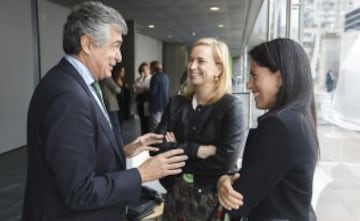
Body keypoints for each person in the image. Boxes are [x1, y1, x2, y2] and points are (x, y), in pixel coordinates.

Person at [22, 2, 188, 221]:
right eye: (115, 45)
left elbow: (77, 154)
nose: (119, 57)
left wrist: (124, 150)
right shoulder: (68, 97)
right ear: (88, 44)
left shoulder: (73, 83)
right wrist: (142, 174)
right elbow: (79, 191)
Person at [217, 38, 319, 221]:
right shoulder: (299, 119)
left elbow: (237, 202)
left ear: (279, 78)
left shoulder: (280, 126)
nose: (248, 85)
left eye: (254, 75)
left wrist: (223, 182)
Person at [151, 38, 246, 220]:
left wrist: (175, 149)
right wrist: (198, 150)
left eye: (200, 61)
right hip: (175, 200)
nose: (192, 66)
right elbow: (156, 148)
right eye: (190, 60)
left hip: (210, 204)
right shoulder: (177, 103)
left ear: (218, 68)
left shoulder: (231, 106)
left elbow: (224, 161)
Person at [149, 60, 169, 131]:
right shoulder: (166, 76)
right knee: (162, 125)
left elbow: (153, 92)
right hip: (165, 104)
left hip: (155, 105)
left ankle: (155, 141)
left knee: (155, 126)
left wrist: (145, 90)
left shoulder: (155, 77)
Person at [135, 62, 152, 134]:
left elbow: (149, 89)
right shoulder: (139, 79)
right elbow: (137, 90)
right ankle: (143, 134)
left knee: (148, 121)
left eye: (145, 70)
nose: (143, 72)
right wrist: (143, 88)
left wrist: (143, 89)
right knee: (142, 120)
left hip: (147, 101)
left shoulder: (151, 78)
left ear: (149, 70)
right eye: (142, 70)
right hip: (140, 102)